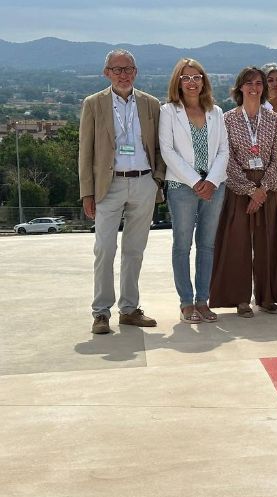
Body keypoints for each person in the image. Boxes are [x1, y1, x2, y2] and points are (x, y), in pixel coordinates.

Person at [79, 48, 166, 334]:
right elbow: (86, 152)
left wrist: (158, 180)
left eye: (128, 69)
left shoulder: (152, 104)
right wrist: (87, 193)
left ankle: (129, 309)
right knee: (104, 248)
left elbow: (158, 147)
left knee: (134, 250)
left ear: (136, 72)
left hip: (143, 182)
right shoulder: (93, 104)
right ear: (107, 73)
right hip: (109, 184)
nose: (123, 74)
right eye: (117, 69)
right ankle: (101, 312)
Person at [209, 66, 277, 317]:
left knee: (269, 243)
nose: (254, 88)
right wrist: (248, 190)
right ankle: (240, 299)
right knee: (238, 243)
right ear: (240, 88)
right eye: (249, 83)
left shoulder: (275, 120)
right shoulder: (228, 119)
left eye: (258, 83)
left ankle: (267, 297)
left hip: (269, 186)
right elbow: (226, 159)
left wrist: (262, 189)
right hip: (239, 185)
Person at [159, 58, 229, 324]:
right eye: (185, 78)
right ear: (178, 81)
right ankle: (186, 303)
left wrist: (210, 181)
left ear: (204, 81)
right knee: (182, 245)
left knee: (207, 245)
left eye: (196, 77)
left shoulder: (216, 112)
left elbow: (224, 150)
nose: (191, 82)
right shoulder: (168, 111)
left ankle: (203, 300)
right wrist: (195, 182)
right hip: (181, 187)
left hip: (214, 186)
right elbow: (167, 151)